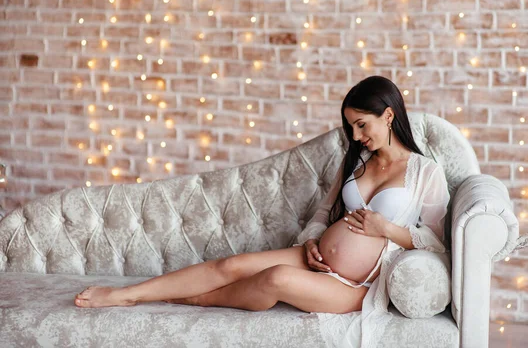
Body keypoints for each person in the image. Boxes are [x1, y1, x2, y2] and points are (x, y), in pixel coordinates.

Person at [74, 76, 450, 332]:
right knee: (232, 264)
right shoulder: (355, 163)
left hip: (360, 286)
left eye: (362, 125)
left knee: (275, 279)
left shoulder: (425, 172)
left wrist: (386, 229)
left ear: (388, 115)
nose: (355, 135)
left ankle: (198, 299)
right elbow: (323, 214)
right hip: (315, 260)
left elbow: (438, 243)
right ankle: (126, 294)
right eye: (350, 126)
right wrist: (311, 241)